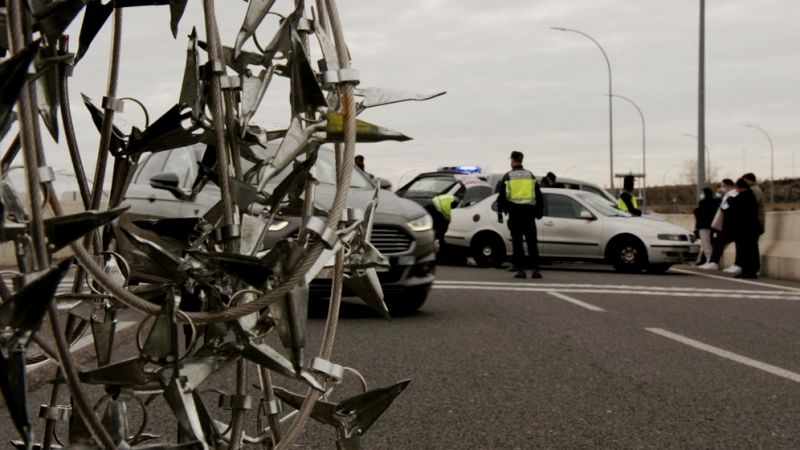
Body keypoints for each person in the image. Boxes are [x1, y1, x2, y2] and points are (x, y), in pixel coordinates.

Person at [497, 151, 544, 279]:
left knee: (517, 242)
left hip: (515, 213)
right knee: (532, 242)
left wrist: (500, 212)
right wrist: (539, 211)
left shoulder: (508, 176)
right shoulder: (530, 175)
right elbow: (538, 195)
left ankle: (521, 270)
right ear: (521, 160)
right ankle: (536, 270)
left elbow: (501, 197)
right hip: (529, 213)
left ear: (512, 161)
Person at [725, 178, 762, 278]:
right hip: (747, 229)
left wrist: (730, 200)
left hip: (747, 229)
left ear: (740, 187)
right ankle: (746, 270)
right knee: (745, 250)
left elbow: (735, 206)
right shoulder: (748, 196)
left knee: (748, 250)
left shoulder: (745, 197)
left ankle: (751, 271)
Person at [699, 179, 737, 271]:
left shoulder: (733, 194)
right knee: (717, 243)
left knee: (720, 242)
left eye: (723, 186)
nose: (721, 188)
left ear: (729, 185)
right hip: (724, 224)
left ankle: (714, 262)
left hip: (730, 224)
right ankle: (713, 262)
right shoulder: (726, 196)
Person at [693, 187, 719, 265]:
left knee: (706, 244)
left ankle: (709, 260)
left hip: (704, 226)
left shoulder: (703, 203)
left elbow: (701, 214)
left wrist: (696, 211)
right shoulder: (715, 202)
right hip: (712, 226)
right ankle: (709, 259)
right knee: (710, 243)